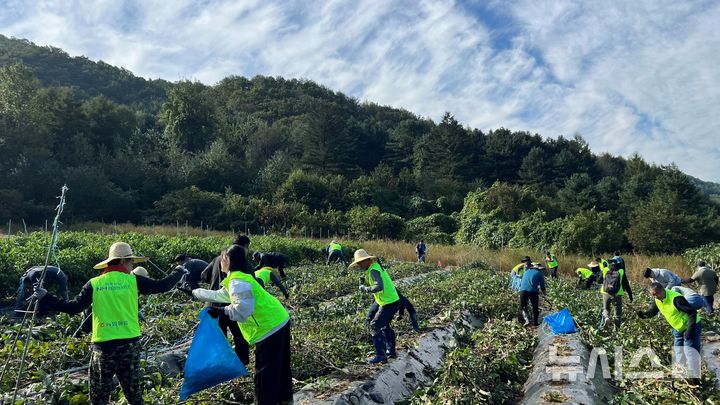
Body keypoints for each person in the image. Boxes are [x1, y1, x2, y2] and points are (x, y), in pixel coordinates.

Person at [35, 242, 186, 405]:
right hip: (130, 345)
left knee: (99, 397)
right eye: (131, 261)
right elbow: (162, 286)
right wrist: (179, 271)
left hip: (104, 348)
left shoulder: (94, 283)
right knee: (134, 395)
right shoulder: (134, 281)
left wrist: (46, 297)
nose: (132, 265)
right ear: (122, 261)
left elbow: (74, 307)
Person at [193, 245, 293, 405]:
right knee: (280, 366)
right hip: (279, 319)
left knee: (264, 375)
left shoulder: (237, 281)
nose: (220, 261)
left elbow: (242, 311)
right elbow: (222, 295)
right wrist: (196, 292)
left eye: (222, 258)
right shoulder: (238, 277)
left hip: (268, 328)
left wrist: (220, 311)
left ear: (227, 260)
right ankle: (285, 399)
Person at [199, 234, 251, 365]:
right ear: (244, 248)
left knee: (218, 339)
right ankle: (241, 365)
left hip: (213, 305)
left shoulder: (217, 259)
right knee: (240, 337)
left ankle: (221, 367)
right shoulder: (243, 264)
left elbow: (204, 275)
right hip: (231, 306)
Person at [637, 282, 701, 379]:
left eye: (654, 294)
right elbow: (652, 311)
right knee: (678, 349)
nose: (654, 297)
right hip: (678, 327)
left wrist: (690, 331)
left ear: (661, 290)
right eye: (652, 295)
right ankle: (681, 372)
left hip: (692, 325)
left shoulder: (676, 299)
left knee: (690, 351)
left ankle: (695, 377)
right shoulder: (657, 299)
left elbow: (692, 313)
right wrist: (643, 315)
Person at [352, 249, 400, 363]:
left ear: (367, 260)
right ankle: (390, 350)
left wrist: (366, 288)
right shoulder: (375, 266)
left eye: (360, 262)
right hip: (388, 300)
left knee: (375, 325)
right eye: (358, 263)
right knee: (381, 323)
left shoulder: (373, 269)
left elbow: (379, 286)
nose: (359, 265)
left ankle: (381, 355)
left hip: (388, 302)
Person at [601, 262, 633, 330]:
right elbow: (626, 284)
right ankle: (616, 330)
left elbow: (600, 279)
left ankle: (607, 318)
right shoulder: (621, 272)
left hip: (606, 293)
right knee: (618, 314)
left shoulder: (605, 270)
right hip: (617, 294)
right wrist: (630, 295)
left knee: (606, 309)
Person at [519, 257, 546, 326]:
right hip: (532, 291)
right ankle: (535, 322)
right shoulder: (539, 273)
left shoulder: (526, 271)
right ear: (539, 268)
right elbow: (542, 286)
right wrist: (544, 294)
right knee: (535, 307)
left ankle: (526, 320)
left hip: (522, 290)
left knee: (523, 306)